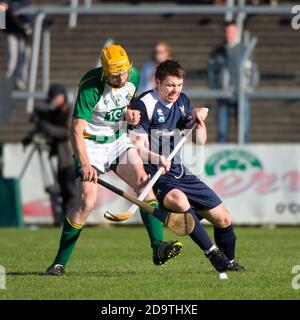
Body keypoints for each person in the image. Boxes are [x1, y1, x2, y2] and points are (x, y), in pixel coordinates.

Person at [45, 44, 182, 276]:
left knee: (143, 182)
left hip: (117, 139)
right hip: (90, 143)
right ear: (105, 72)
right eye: (114, 74)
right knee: (86, 201)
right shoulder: (91, 86)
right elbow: (76, 128)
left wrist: (130, 113)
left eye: (123, 72)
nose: (120, 77)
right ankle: (59, 263)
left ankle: (158, 247)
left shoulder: (135, 75)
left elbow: (127, 104)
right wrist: (86, 163)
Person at [129, 59, 245, 273]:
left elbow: (200, 141)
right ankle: (212, 252)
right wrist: (157, 158)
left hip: (180, 171)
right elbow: (136, 147)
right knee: (179, 201)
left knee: (223, 218)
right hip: (156, 172)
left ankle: (228, 263)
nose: (175, 90)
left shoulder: (182, 101)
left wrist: (199, 120)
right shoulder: (144, 105)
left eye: (179, 85)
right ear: (157, 82)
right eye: (170, 85)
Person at [29, 84, 77, 226]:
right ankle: (63, 221)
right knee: (62, 191)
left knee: (71, 191)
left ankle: (71, 221)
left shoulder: (71, 109)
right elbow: (37, 120)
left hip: (73, 157)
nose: (54, 101)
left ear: (64, 96)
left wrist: (47, 127)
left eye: (57, 98)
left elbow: (67, 132)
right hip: (62, 158)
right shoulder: (55, 111)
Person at [207, 20, 259, 143]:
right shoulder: (217, 52)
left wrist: (249, 89)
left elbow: (253, 71)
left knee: (244, 132)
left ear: (236, 32)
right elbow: (210, 72)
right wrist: (216, 90)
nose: (229, 34)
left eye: (231, 31)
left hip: (241, 96)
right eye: (226, 31)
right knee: (222, 132)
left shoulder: (244, 50)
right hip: (223, 96)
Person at [0, 0, 32, 90]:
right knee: (11, 56)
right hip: (10, 30)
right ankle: (10, 79)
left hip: (22, 30)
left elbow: (27, 7)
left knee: (24, 54)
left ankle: (21, 79)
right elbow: (1, 7)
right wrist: (2, 26)